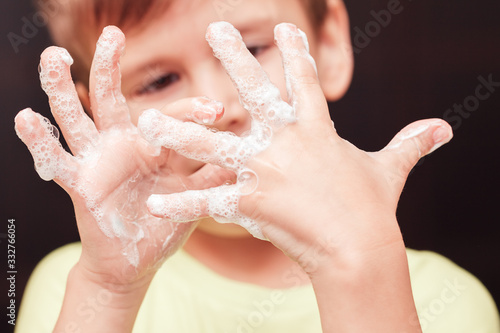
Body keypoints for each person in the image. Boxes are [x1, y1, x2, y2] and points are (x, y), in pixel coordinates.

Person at [14, 0, 499, 332]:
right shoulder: (76, 286)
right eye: (159, 80)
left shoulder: (442, 296)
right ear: (103, 116)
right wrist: (112, 288)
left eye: (251, 49)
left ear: (328, 42)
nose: (221, 107)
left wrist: (358, 265)